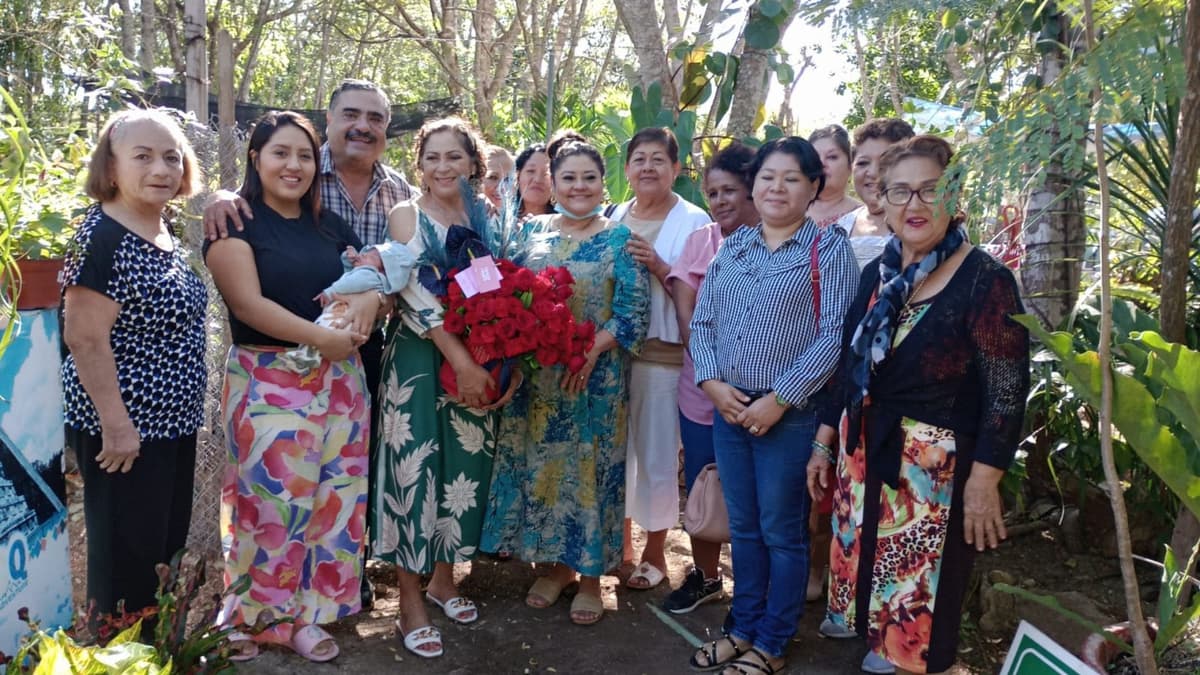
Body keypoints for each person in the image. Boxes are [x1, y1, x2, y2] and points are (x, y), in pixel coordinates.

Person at [806, 135, 1029, 675]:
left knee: (922, 615)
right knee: (874, 597)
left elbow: (1005, 391)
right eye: (900, 192)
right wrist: (824, 443)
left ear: (954, 196)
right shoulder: (876, 276)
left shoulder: (985, 279)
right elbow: (848, 365)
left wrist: (984, 481)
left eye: (931, 190)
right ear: (881, 199)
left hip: (935, 474)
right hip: (866, 455)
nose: (915, 205)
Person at [203, 79, 416, 610]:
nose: (292, 165)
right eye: (280, 154)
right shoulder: (236, 221)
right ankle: (261, 617)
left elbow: (380, 274)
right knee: (271, 504)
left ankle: (319, 610)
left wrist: (376, 303)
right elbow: (248, 305)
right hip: (270, 379)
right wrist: (322, 337)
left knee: (335, 498)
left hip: (345, 378)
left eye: (301, 154)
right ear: (256, 159)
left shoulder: (332, 221)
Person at [687, 137, 858, 675]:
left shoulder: (828, 251)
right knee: (744, 527)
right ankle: (741, 628)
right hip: (729, 410)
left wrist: (779, 400)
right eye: (767, 177)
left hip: (788, 417)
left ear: (813, 188)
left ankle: (773, 642)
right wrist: (712, 383)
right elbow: (703, 322)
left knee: (782, 531)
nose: (776, 188)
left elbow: (835, 337)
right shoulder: (732, 247)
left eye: (790, 178)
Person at [481, 140, 649, 625]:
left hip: (593, 380)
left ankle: (592, 577)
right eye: (569, 178)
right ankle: (557, 569)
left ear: (604, 184)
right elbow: (506, 292)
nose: (579, 187)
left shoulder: (621, 238)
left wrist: (589, 351)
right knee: (545, 473)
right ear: (552, 183)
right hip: (539, 382)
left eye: (589, 178)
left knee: (591, 475)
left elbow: (633, 312)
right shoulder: (529, 232)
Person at [371, 116, 517, 659]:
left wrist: (506, 367)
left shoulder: (489, 218)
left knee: (462, 469)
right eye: (431, 157)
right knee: (417, 472)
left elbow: (503, 292)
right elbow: (412, 294)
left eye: (453, 157)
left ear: (474, 164)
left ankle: (444, 578)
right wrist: (462, 359)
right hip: (419, 360)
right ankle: (410, 602)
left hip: (477, 359)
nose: (441, 168)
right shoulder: (407, 215)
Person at [61, 109, 206, 632]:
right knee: (124, 567)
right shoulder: (99, 236)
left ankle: (158, 656)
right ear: (112, 166)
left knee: (161, 557)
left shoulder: (165, 232)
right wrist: (117, 424)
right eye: (143, 156)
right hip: (125, 435)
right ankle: (121, 661)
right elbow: (84, 337)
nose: (161, 168)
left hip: (171, 428)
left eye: (171, 156)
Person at [607, 127, 710, 590]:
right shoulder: (612, 215)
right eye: (639, 159)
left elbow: (707, 294)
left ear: (675, 168)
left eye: (658, 160)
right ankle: (621, 546)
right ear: (627, 169)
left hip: (662, 356)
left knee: (657, 454)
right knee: (617, 451)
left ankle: (655, 554)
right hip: (612, 352)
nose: (647, 167)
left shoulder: (694, 221)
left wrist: (658, 266)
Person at [661, 142, 759, 615]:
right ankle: (705, 576)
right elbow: (687, 318)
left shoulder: (793, 245)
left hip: (765, 399)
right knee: (705, 484)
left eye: (731, 191)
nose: (720, 201)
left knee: (755, 495)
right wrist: (715, 381)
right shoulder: (701, 241)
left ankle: (755, 590)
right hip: (702, 391)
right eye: (712, 192)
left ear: (755, 192)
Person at [279, 241, 414, 372]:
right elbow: (347, 273)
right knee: (324, 328)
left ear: (385, 269)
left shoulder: (370, 274)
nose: (365, 254)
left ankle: (306, 356)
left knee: (325, 329)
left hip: (344, 312)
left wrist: (330, 292)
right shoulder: (368, 274)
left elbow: (351, 283)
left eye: (373, 256)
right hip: (348, 314)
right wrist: (349, 258)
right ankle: (305, 354)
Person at [846, 118, 915, 269]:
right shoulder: (839, 229)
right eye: (863, 163)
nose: (873, 172)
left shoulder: (928, 225)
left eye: (886, 162)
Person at [806, 125, 862, 231]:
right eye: (815, 157)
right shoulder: (788, 211)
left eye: (832, 157)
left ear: (850, 165)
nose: (821, 163)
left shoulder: (864, 217)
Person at [514, 143, 553, 219]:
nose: (537, 180)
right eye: (531, 171)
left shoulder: (565, 225)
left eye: (546, 173)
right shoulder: (501, 219)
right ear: (518, 175)